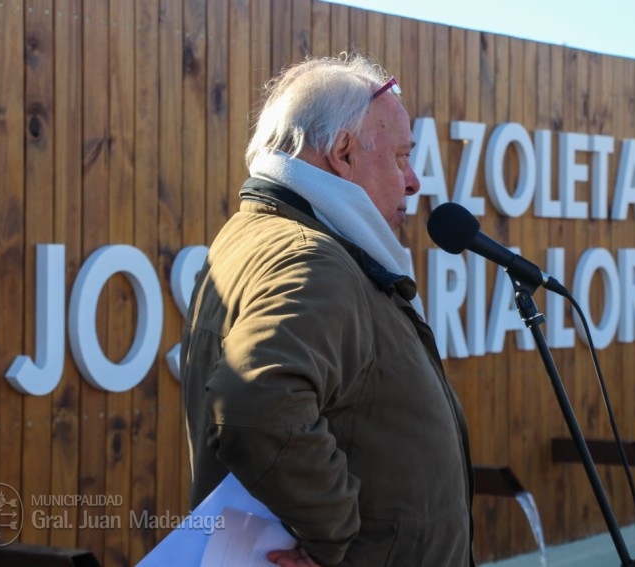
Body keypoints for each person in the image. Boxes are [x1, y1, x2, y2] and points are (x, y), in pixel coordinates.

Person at [180, 52, 475, 567]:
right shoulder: (312, 258)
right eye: (401, 157)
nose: (413, 181)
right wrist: (331, 539)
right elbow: (256, 401)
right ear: (343, 152)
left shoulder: (255, 235)